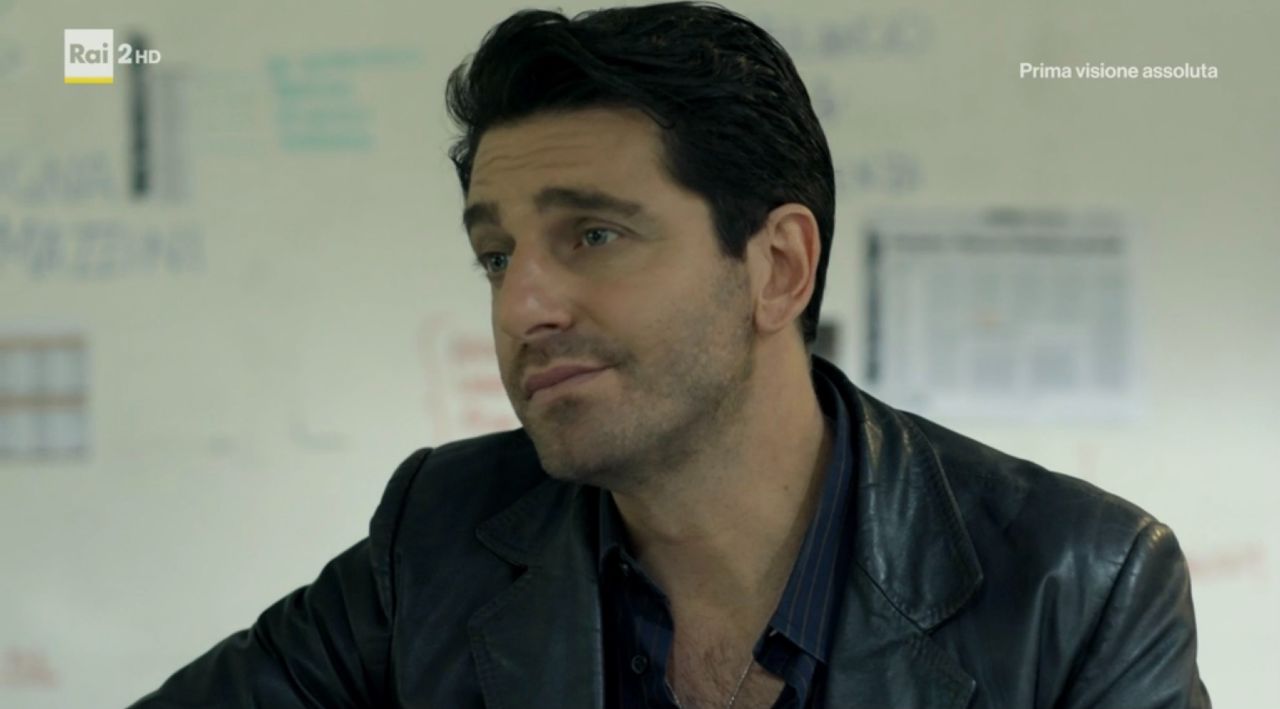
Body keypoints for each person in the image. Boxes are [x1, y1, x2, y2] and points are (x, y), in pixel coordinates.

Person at [129, 3, 1210, 708]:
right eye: (495, 255)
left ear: (777, 267)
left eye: (593, 234)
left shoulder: (1079, 585)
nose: (522, 304)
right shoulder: (439, 537)